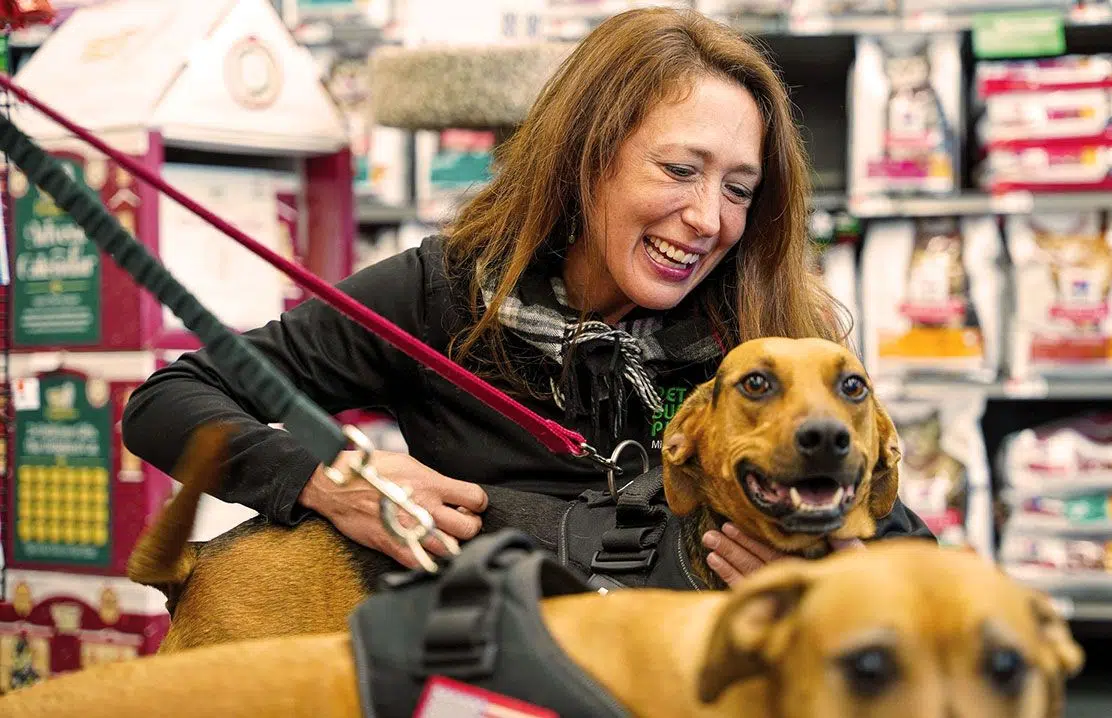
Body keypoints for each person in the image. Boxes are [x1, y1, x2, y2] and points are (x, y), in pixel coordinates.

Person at [123, 7, 929, 588]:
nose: (709, 219)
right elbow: (168, 399)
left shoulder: (775, 331)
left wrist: (852, 578)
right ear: (588, 159)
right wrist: (326, 475)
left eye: (740, 189)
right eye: (679, 171)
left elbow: (913, 549)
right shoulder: (441, 293)